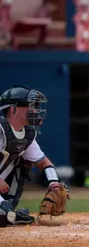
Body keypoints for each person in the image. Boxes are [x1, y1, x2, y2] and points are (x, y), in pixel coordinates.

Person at [0, 85, 67, 227]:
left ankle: (9, 212)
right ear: (14, 109)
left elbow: (44, 163)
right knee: (3, 214)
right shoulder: (1, 129)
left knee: (23, 163)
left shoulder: (27, 134)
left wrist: (54, 184)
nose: (35, 111)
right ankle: (11, 215)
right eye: (30, 106)